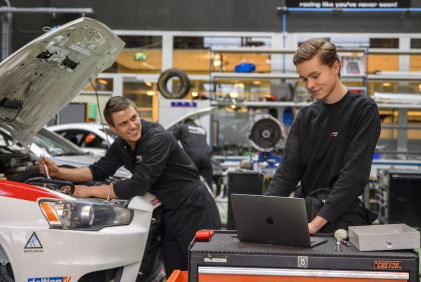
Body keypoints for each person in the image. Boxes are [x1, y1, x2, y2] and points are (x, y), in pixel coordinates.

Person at [39, 96, 221, 276]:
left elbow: (139, 184)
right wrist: (59, 173)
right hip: (170, 211)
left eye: (134, 118)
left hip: (195, 209)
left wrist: (92, 191)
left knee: (200, 274)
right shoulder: (122, 145)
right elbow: (98, 170)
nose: (132, 126)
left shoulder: (157, 137)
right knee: (176, 273)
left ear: (138, 114)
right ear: (113, 128)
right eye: (124, 123)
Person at [265, 38, 381, 234]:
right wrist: (263, 214)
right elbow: (286, 174)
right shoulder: (306, 116)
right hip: (304, 211)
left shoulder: (363, 110)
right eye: (304, 79)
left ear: (335, 67)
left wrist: (315, 225)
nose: (310, 85)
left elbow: (354, 176)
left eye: (315, 76)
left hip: (342, 216)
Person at [173, 118, 213, 189]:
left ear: (185, 122)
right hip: (206, 157)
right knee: (207, 184)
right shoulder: (202, 129)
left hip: (192, 156)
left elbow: (172, 141)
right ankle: (208, 198)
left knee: (189, 181)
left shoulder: (182, 126)